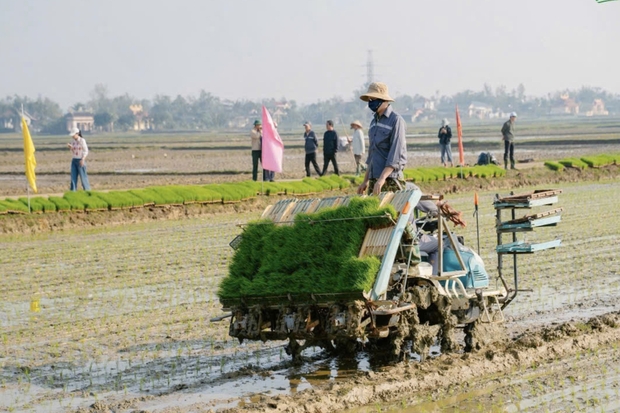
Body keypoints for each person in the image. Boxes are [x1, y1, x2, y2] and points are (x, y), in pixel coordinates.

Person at [357, 82, 407, 195]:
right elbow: (372, 155)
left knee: (393, 212)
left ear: (383, 100)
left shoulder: (396, 120)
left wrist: (382, 179)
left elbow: (395, 155)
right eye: (369, 99)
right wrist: (365, 181)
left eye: (373, 99)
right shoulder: (373, 122)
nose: (370, 102)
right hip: (375, 179)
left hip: (391, 179)